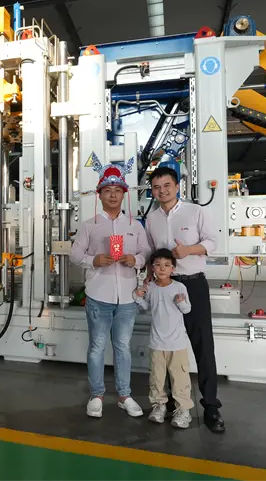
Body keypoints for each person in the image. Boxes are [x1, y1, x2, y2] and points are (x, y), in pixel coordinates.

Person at [144, 166, 225, 433]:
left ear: (177, 186)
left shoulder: (195, 211)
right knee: (167, 347)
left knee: (203, 345)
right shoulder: (152, 219)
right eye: (156, 187)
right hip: (164, 288)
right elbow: (151, 253)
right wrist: (148, 277)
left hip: (192, 285)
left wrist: (188, 250)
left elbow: (212, 242)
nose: (162, 191)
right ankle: (169, 402)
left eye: (167, 185)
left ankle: (210, 405)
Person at [70, 161, 151, 419]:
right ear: (100, 195)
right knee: (96, 346)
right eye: (108, 191)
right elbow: (75, 255)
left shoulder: (135, 225)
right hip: (98, 295)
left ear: (124, 194)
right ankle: (96, 395)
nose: (113, 195)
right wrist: (93, 260)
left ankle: (124, 395)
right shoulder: (89, 225)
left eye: (117, 190)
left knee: (123, 347)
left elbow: (146, 253)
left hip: (127, 296)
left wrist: (135, 260)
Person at [134, 248, 193, 429]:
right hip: (157, 343)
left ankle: (183, 410)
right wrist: (138, 297)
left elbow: (187, 309)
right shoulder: (150, 287)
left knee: (180, 378)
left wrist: (181, 302)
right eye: (158, 265)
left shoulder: (179, 287)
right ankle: (159, 406)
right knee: (156, 378)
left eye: (167, 265)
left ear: (173, 268)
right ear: (152, 268)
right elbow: (146, 307)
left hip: (177, 344)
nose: (162, 268)